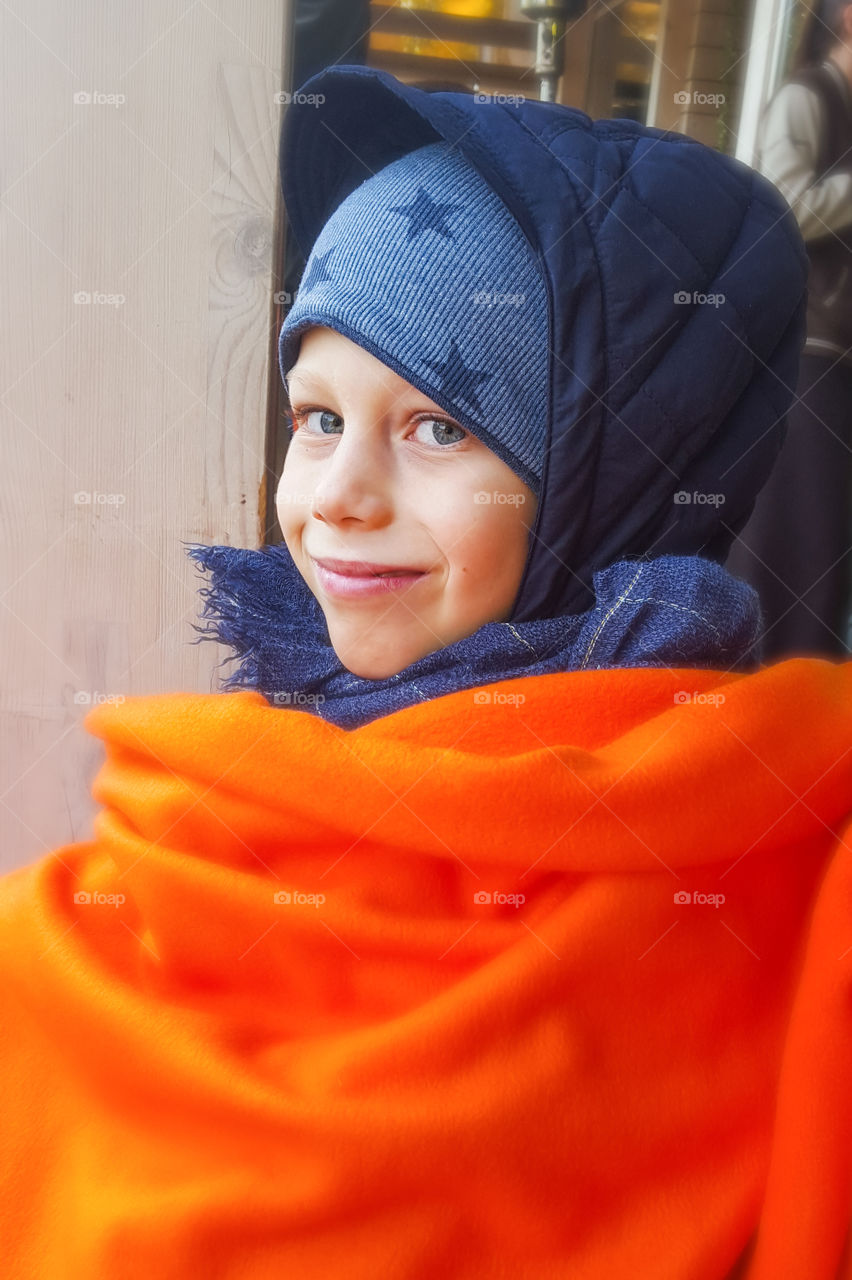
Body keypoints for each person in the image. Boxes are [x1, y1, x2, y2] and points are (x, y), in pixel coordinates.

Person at [2, 64, 852, 1280]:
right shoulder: (164, 863)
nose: (339, 496)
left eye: (440, 426)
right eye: (317, 416)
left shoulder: (766, 890)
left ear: (603, 480)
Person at [726, 0, 852, 660]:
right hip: (812, 365)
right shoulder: (810, 96)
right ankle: (763, 729)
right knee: (795, 560)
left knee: (820, 565)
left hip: (836, 365)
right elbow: (783, 203)